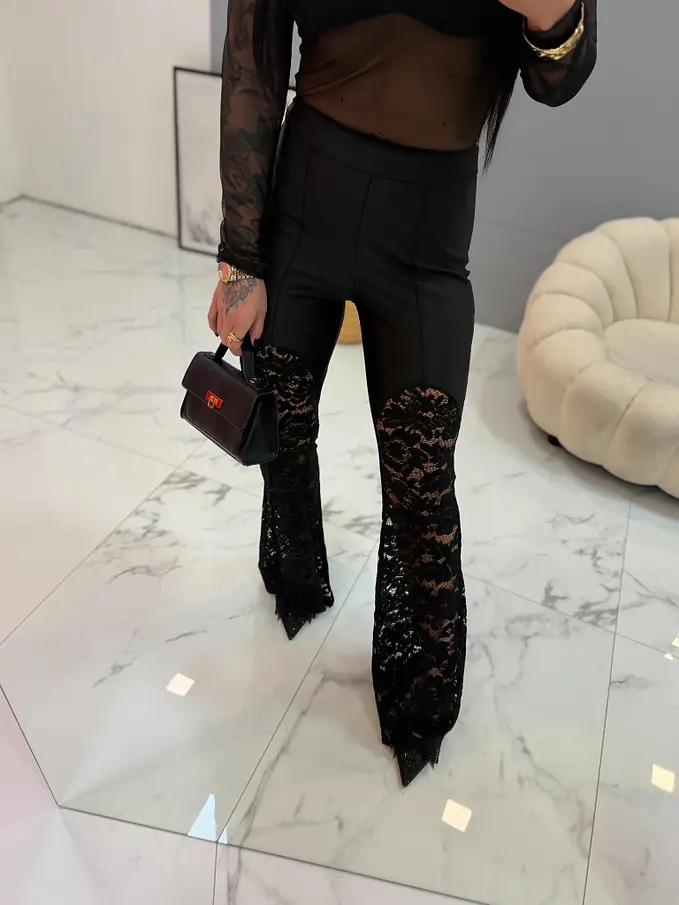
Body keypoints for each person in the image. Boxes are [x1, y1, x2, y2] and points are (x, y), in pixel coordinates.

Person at [208, 0, 597, 787]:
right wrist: (239, 258)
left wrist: (553, 17)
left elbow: (558, 78)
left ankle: (420, 692)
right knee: (282, 425)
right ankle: (295, 577)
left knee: (422, 485)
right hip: (302, 206)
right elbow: (252, 67)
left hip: (426, 240)